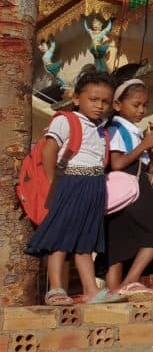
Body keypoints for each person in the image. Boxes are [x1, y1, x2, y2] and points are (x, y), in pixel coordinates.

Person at [26, 71, 125, 304]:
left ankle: (91, 290)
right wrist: (54, 184)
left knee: (85, 242)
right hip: (70, 183)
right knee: (60, 239)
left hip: (94, 187)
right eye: (93, 99)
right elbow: (48, 151)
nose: (100, 106)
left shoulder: (101, 129)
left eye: (105, 102)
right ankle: (56, 289)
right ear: (77, 98)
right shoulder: (65, 120)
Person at [100, 78, 153, 301]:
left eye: (145, 105)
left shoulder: (133, 131)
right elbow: (118, 163)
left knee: (118, 245)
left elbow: (145, 166)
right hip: (128, 187)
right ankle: (129, 282)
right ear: (118, 105)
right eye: (136, 104)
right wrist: (144, 145)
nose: (141, 110)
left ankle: (114, 297)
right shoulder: (116, 129)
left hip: (129, 188)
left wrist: (152, 152)